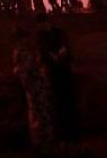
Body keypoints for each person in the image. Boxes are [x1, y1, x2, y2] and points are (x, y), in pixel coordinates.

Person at [13, 26, 57, 155]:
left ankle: (40, 143)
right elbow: (31, 70)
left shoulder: (19, 53)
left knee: (37, 114)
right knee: (41, 114)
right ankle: (43, 144)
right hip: (36, 87)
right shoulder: (25, 53)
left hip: (33, 87)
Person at [36, 14, 78, 145]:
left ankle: (70, 131)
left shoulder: (57, 33)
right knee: (59, 100)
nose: (42, 26)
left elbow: (65, 46)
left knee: (66, 99)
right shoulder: (43, 35)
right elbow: (43, 52)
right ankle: (64, 131)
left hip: (61, 69)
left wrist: (62, 55)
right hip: (54, 71)